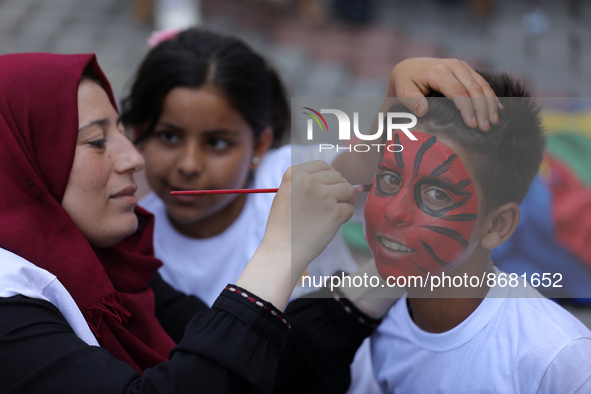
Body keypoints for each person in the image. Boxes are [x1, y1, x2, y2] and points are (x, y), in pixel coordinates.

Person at [119, 28, 500, 393]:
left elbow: (365, 167)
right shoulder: (132, 236)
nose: (188, 164)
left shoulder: (288, 175)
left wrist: (395, 94)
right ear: (136, 133)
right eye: (168, 136)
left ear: (260, 144)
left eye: (217, 142)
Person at [0, 52, 383, 393]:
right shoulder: (10, 310)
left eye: (122, 132)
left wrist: (395, 272)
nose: (134, 158)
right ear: (20, 161)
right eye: (98, 141)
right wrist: (281, 252)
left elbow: (265, 363)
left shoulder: (116, 263)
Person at [365, 72, 591, 393]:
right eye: (389, 178)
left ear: (497, 226)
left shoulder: (558, 360)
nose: (393, 212)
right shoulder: (356, 319)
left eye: (437, 194)